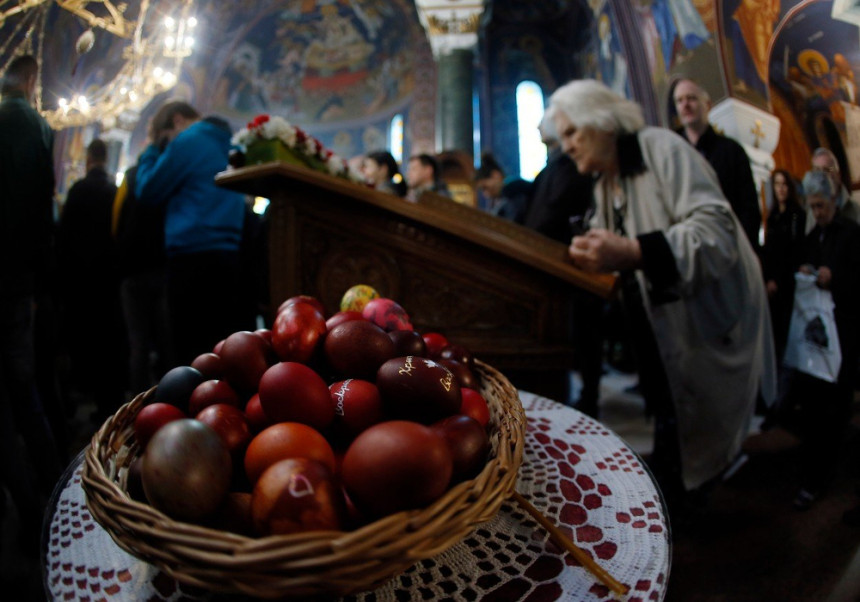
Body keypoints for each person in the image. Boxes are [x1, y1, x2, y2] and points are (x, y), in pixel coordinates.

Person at [551, 79, 776, 512]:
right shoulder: (604, 181)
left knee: (700, 419)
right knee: (669, 410)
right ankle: (671, 488)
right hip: (658, 323)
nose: (568, 147)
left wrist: (634, 251)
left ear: (602, 122)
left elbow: (716, 231)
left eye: (572, 133)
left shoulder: (662, 149)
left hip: (707, 314)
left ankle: (692, 507)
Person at [0, 53, 63, 554]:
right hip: (19, 279)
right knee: (24, 391)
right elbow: (43, 204)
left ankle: (30, 506)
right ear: (31, 81)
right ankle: (52, 496)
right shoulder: (36, 126)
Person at [135, 101, 250, 366]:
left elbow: (148, 191)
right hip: (230, 256)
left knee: (191, 354)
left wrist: (153, 148)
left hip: (191, 257)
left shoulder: (188, 139)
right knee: (224, 349)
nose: (167, 147)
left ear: (176, 120)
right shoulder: (230, 142)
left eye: (167, 140)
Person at [781, 170, 860, 510]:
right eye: (812, 206)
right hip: (816, 344)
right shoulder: (814, 237)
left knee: (836, 411)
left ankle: (824, 476)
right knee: (814, 410)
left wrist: (836, 279)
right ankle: (811, 473)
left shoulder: (852, 234)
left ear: (834, 201)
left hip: (844, 337)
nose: (817, 212)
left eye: (822, 205)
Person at [524, 111, 604, 416]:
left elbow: (556, 210)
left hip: (567, 263)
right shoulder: (553, 164)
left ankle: (590, 394)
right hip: (546, 263)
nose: (537, 127)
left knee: (584, 333)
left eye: (543, 122)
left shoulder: (571, 162)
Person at [57, 138, 126, 421]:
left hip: (81, 281)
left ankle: (87, 399)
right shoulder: (113, 191)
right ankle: (109, 404)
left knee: (85, 340)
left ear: (88, 159)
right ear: (106, 158)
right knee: (109, 343)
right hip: (109, 281)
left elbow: (63, 238)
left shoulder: (78, 190)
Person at [112, 132, 173, 398]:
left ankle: (137, 406)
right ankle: (170, 400)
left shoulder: (131, 175)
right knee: (166, 341)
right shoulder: (168, 179)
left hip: (132, 270)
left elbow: (115, 222)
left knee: (137, 344)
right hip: (162, 268)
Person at [673, 78, 762, 251]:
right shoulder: (673, 155)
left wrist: (742, 248)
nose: (685, 105)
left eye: (691, 98)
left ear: (707, 104)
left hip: (729, 247)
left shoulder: (732, 151)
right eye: (679, 100)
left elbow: (749, 208)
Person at [763, 169, 807, 362]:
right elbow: (769, 251)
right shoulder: (772, 216)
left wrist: (777, 280)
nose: (780, 189)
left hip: (786, 282)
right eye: (777, 184)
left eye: (784, 184)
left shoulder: (796, 215)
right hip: (771, 281)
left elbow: (794, 252)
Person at [804, 147, 860, 232]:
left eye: (827, 170)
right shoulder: (812, 211)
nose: (822, 176)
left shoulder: (855, 209)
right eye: (817, 171)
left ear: (838, 173)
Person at [474, 152, 532, 224]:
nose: (486, 194)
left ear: (495, 175)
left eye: (485, 187)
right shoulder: (505, 195)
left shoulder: (514, 190)